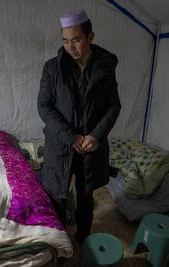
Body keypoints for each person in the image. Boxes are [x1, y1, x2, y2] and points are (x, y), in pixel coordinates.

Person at [37, 9, 121, 244]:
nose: (70, 46)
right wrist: (72, 137)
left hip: (91, 146)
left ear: (90, 37)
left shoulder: (105, 68)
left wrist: (95, 135)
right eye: (65, 41)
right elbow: (44, 107)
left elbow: (113, 106)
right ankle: (60, 240)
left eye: (76, 40)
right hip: (61, 144)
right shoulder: (52, 68)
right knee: (58, 195)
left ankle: (84, 235)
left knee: (86, 195)